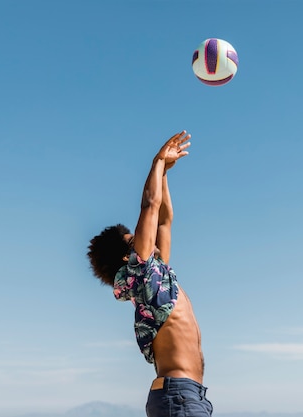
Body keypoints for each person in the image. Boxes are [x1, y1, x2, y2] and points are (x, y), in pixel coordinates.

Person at [87, 131, 212, 417]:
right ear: (126, 256)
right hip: (178, 396)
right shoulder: (141, 271)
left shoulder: (156, 277)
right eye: (136, 239)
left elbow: (165, 221)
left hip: (187, 396)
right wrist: (156, 162)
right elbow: (150, 206)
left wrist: (165, 173)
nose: (148, 238)